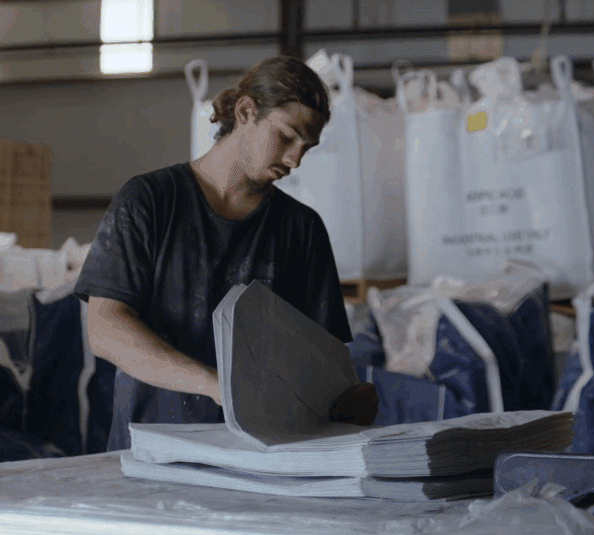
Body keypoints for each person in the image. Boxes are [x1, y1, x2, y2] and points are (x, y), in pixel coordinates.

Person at [74, 56, 377, 451]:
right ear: (246, 111)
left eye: (308, 147)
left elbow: (321, 360)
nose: (295, 160)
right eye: (286, 136)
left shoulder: (302, 230)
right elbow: (105, 329)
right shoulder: (148, 200)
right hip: (152, 451)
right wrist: (217, 387)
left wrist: (346, 400)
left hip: (261, 457)